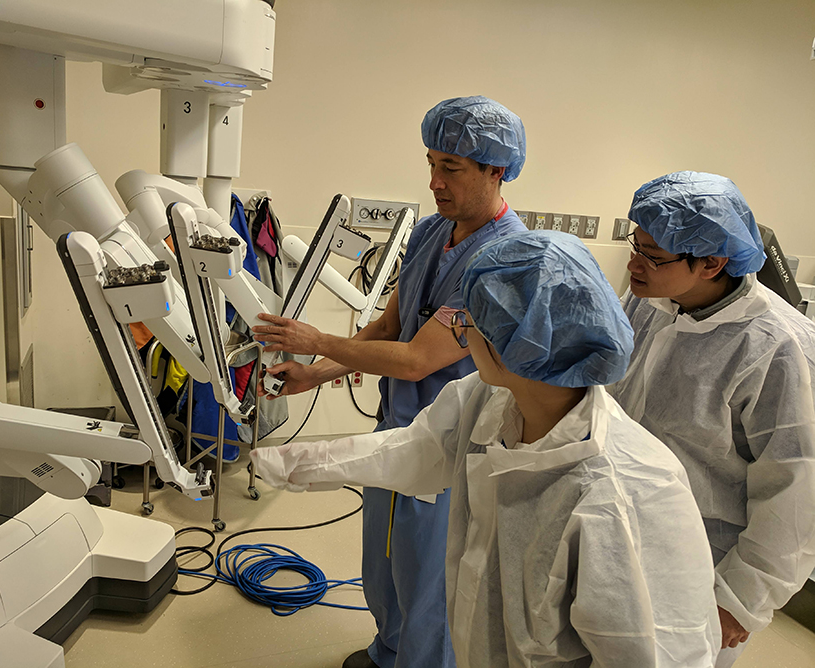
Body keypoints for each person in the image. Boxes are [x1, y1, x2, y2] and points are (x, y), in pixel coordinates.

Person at [252, 232, 722, 667]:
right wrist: (290, 462)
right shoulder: (488, 398)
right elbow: (417, 451)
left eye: (467, 323)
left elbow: (654, 653)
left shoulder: (630, 494)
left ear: (512, 346)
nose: (461, 334)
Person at [251, 96, 528, 668]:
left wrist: (318, 341)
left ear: (495, 169)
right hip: (395, 428)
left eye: (450, 168)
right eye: (430, 163)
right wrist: (314, 374)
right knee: (383, 561)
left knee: (430, 578)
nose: (434, 181)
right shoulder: (431, 232)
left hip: (450, 446)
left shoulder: (504, 258)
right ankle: (388, 650)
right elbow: (390, 325)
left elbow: (415, 361)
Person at [607, 171, 815, 667]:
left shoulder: (778, 350)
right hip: (615, 534)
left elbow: (798, 490)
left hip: (702, 565)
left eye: (652, 256)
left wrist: (741, 600)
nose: (634, 263)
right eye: (636, 243)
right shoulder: (648, 303)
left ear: (712, 263)